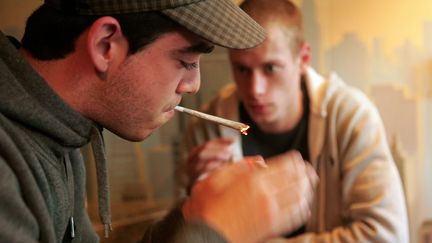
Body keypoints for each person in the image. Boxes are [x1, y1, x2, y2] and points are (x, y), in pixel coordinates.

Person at [0, 0, 320, 242]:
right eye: (185, 60)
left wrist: (193, 215)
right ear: (105, 45)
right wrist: (219, 231)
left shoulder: (63, 132)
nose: (193, 84)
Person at [177, 0, 410, 242]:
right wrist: (194, 196)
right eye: (242, 70)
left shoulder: (351, 119)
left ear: (303, 59)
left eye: (271, 68)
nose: (255, 89)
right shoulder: (207, 129)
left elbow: (387, 236)